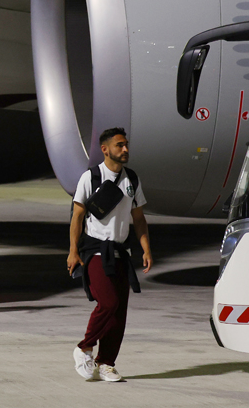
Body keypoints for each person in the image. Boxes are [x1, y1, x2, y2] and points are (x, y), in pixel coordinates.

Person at [67, 127, 152, 383]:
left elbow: (139, 219)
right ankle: (84, 348)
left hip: (121, 251)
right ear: (105, 149)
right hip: (94, 250)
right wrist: (73, 251)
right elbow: (78, 216)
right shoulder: (91, 177)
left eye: (126, 144)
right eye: (119, 145)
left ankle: (107, 364)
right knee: (109, 303)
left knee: (120, 312)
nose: (125, 149)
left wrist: (146, 247)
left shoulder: (132, 180)